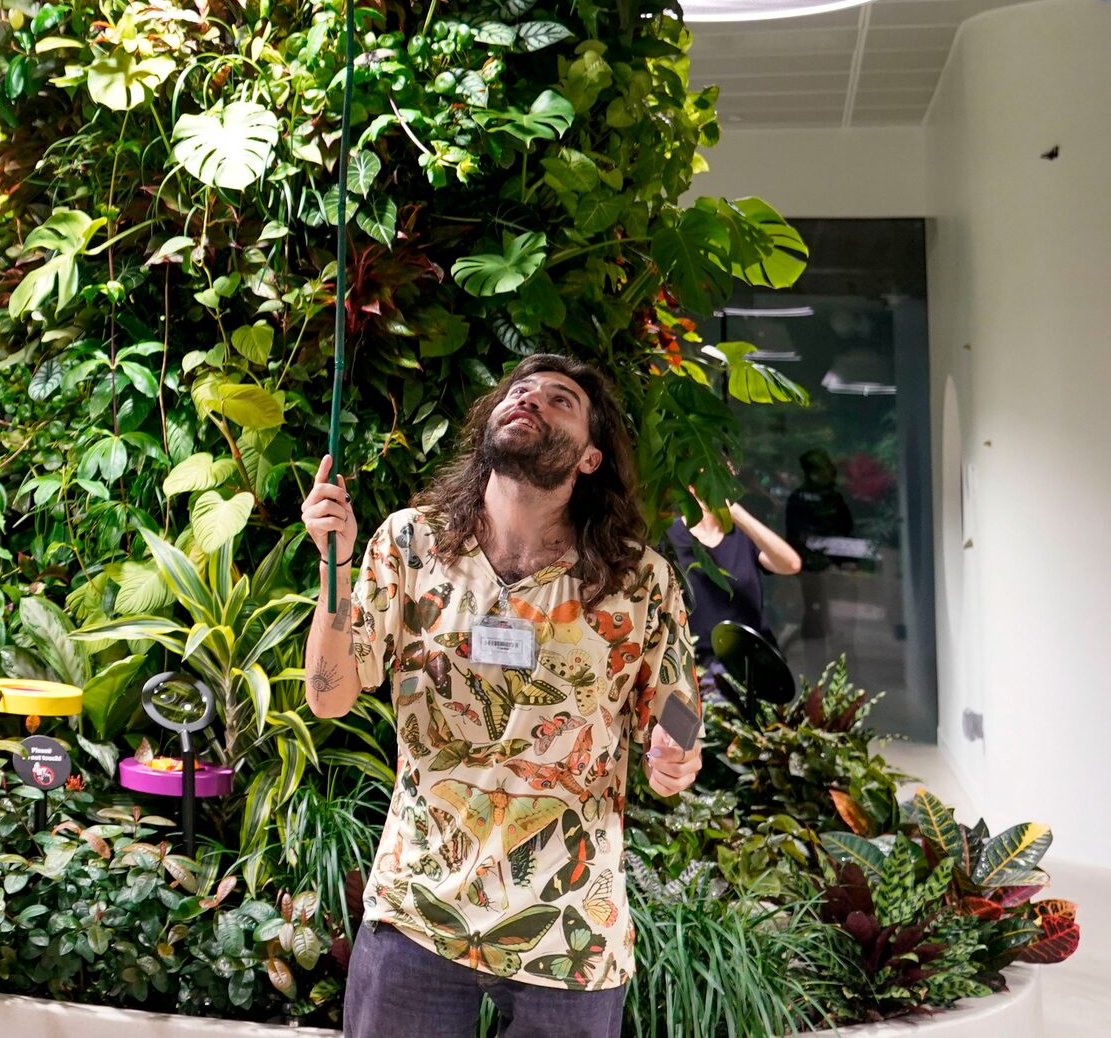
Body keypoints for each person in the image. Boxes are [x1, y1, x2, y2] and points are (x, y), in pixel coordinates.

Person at [301, 354, 700, 1037]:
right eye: (519, 390)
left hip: (568, 924)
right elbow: (328, 696)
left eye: (559, 399)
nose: (529, 399)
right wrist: (333, 563)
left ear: (589, 459)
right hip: (419, 904)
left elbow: (677, 706)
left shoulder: (637, 578)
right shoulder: (410, 543)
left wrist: (677, 752)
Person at [664, 483, 801, 673]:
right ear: (690, 487)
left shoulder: (742, 534)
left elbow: (790, 564)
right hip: (693, 663)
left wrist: (737, 514)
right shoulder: (670, 536)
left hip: (750, 663)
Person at [783, 448, 857, 642]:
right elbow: (798, 536)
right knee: (814, 616)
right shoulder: (799, 499)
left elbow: (846, 529)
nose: (828, 472)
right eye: (821, 469)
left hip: (838, 568)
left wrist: (846, 561)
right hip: (812, 568)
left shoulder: (835, 497)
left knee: (841, 624)